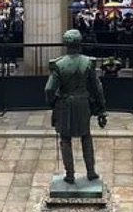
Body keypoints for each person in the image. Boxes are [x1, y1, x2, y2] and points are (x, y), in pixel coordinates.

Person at [45, 28, 107, 183]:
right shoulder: (88, 62)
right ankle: (91, 172)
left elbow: (49, 89)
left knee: (65, 139)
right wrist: (102, 109)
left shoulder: (59, 65)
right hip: (83, 103)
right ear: (80, 44)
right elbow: (97, 88)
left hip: (65, 104)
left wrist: (52, 102)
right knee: (86, 137)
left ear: (66, 44)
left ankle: (70, 174)